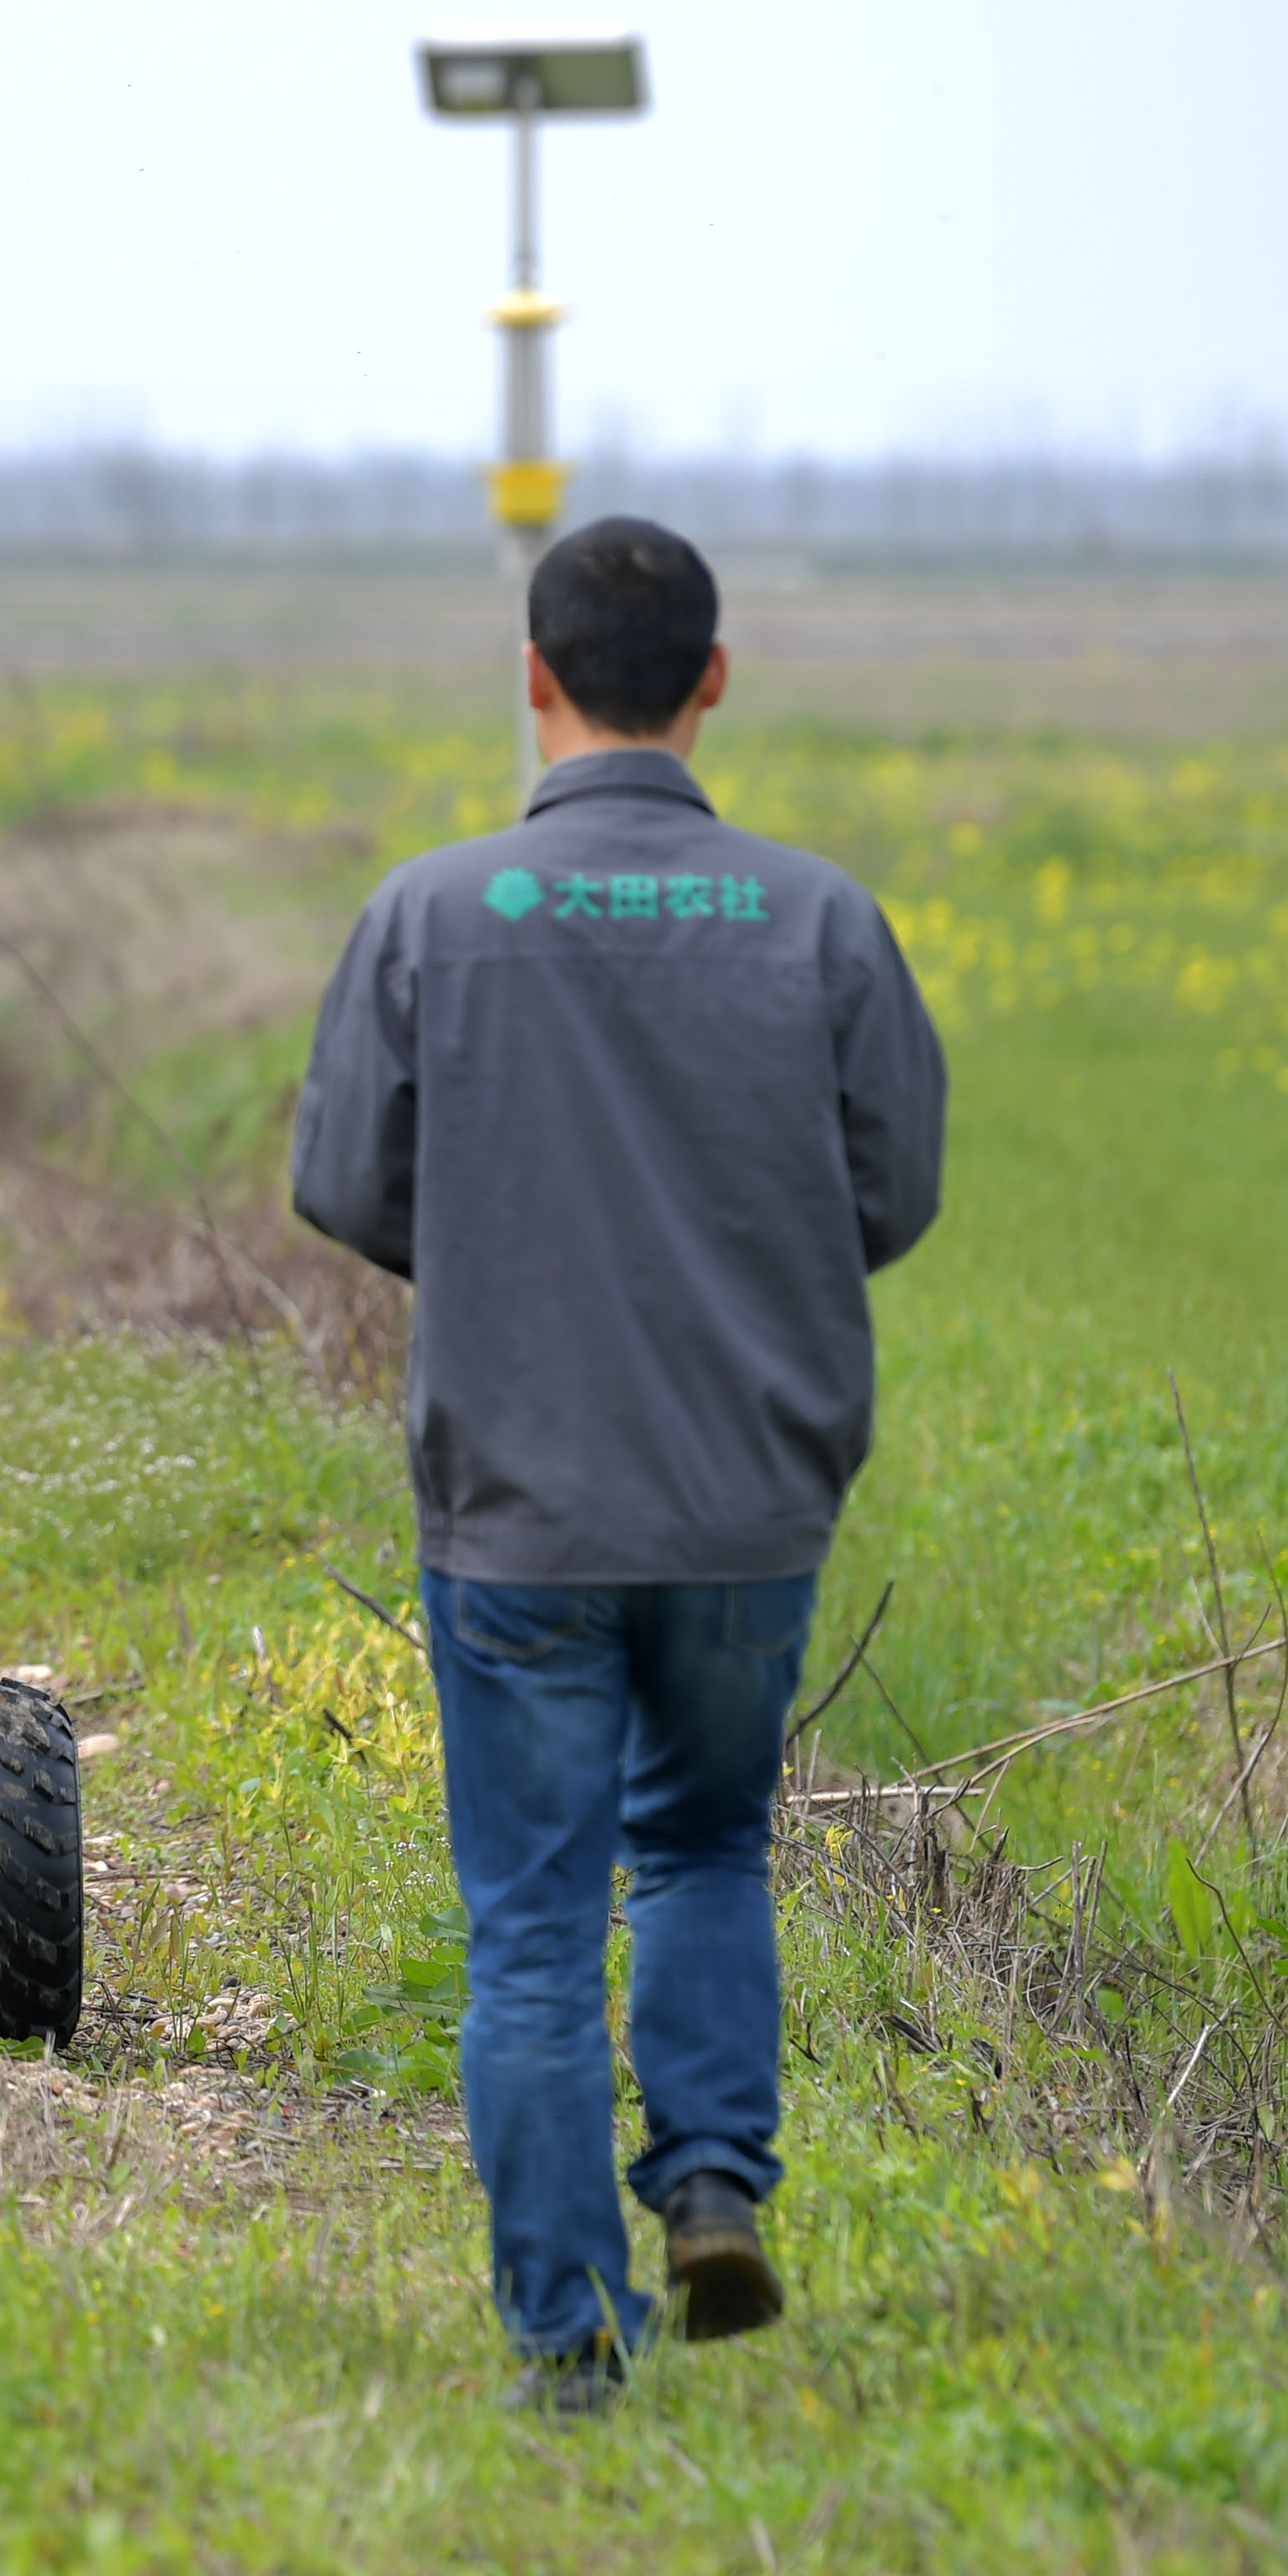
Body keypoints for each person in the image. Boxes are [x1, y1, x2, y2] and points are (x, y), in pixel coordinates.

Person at [288, 516, 945, 2414]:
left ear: (532, 670)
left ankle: (571, 2339)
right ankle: (719, 2179)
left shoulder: (431, 914)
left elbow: (345, 1182)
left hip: (520, 1504)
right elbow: (887, 1193)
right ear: (716, 682)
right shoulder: (819, 918)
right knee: (709, 1839)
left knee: (531, 1926)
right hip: (750, 1495)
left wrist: (500, 1249)